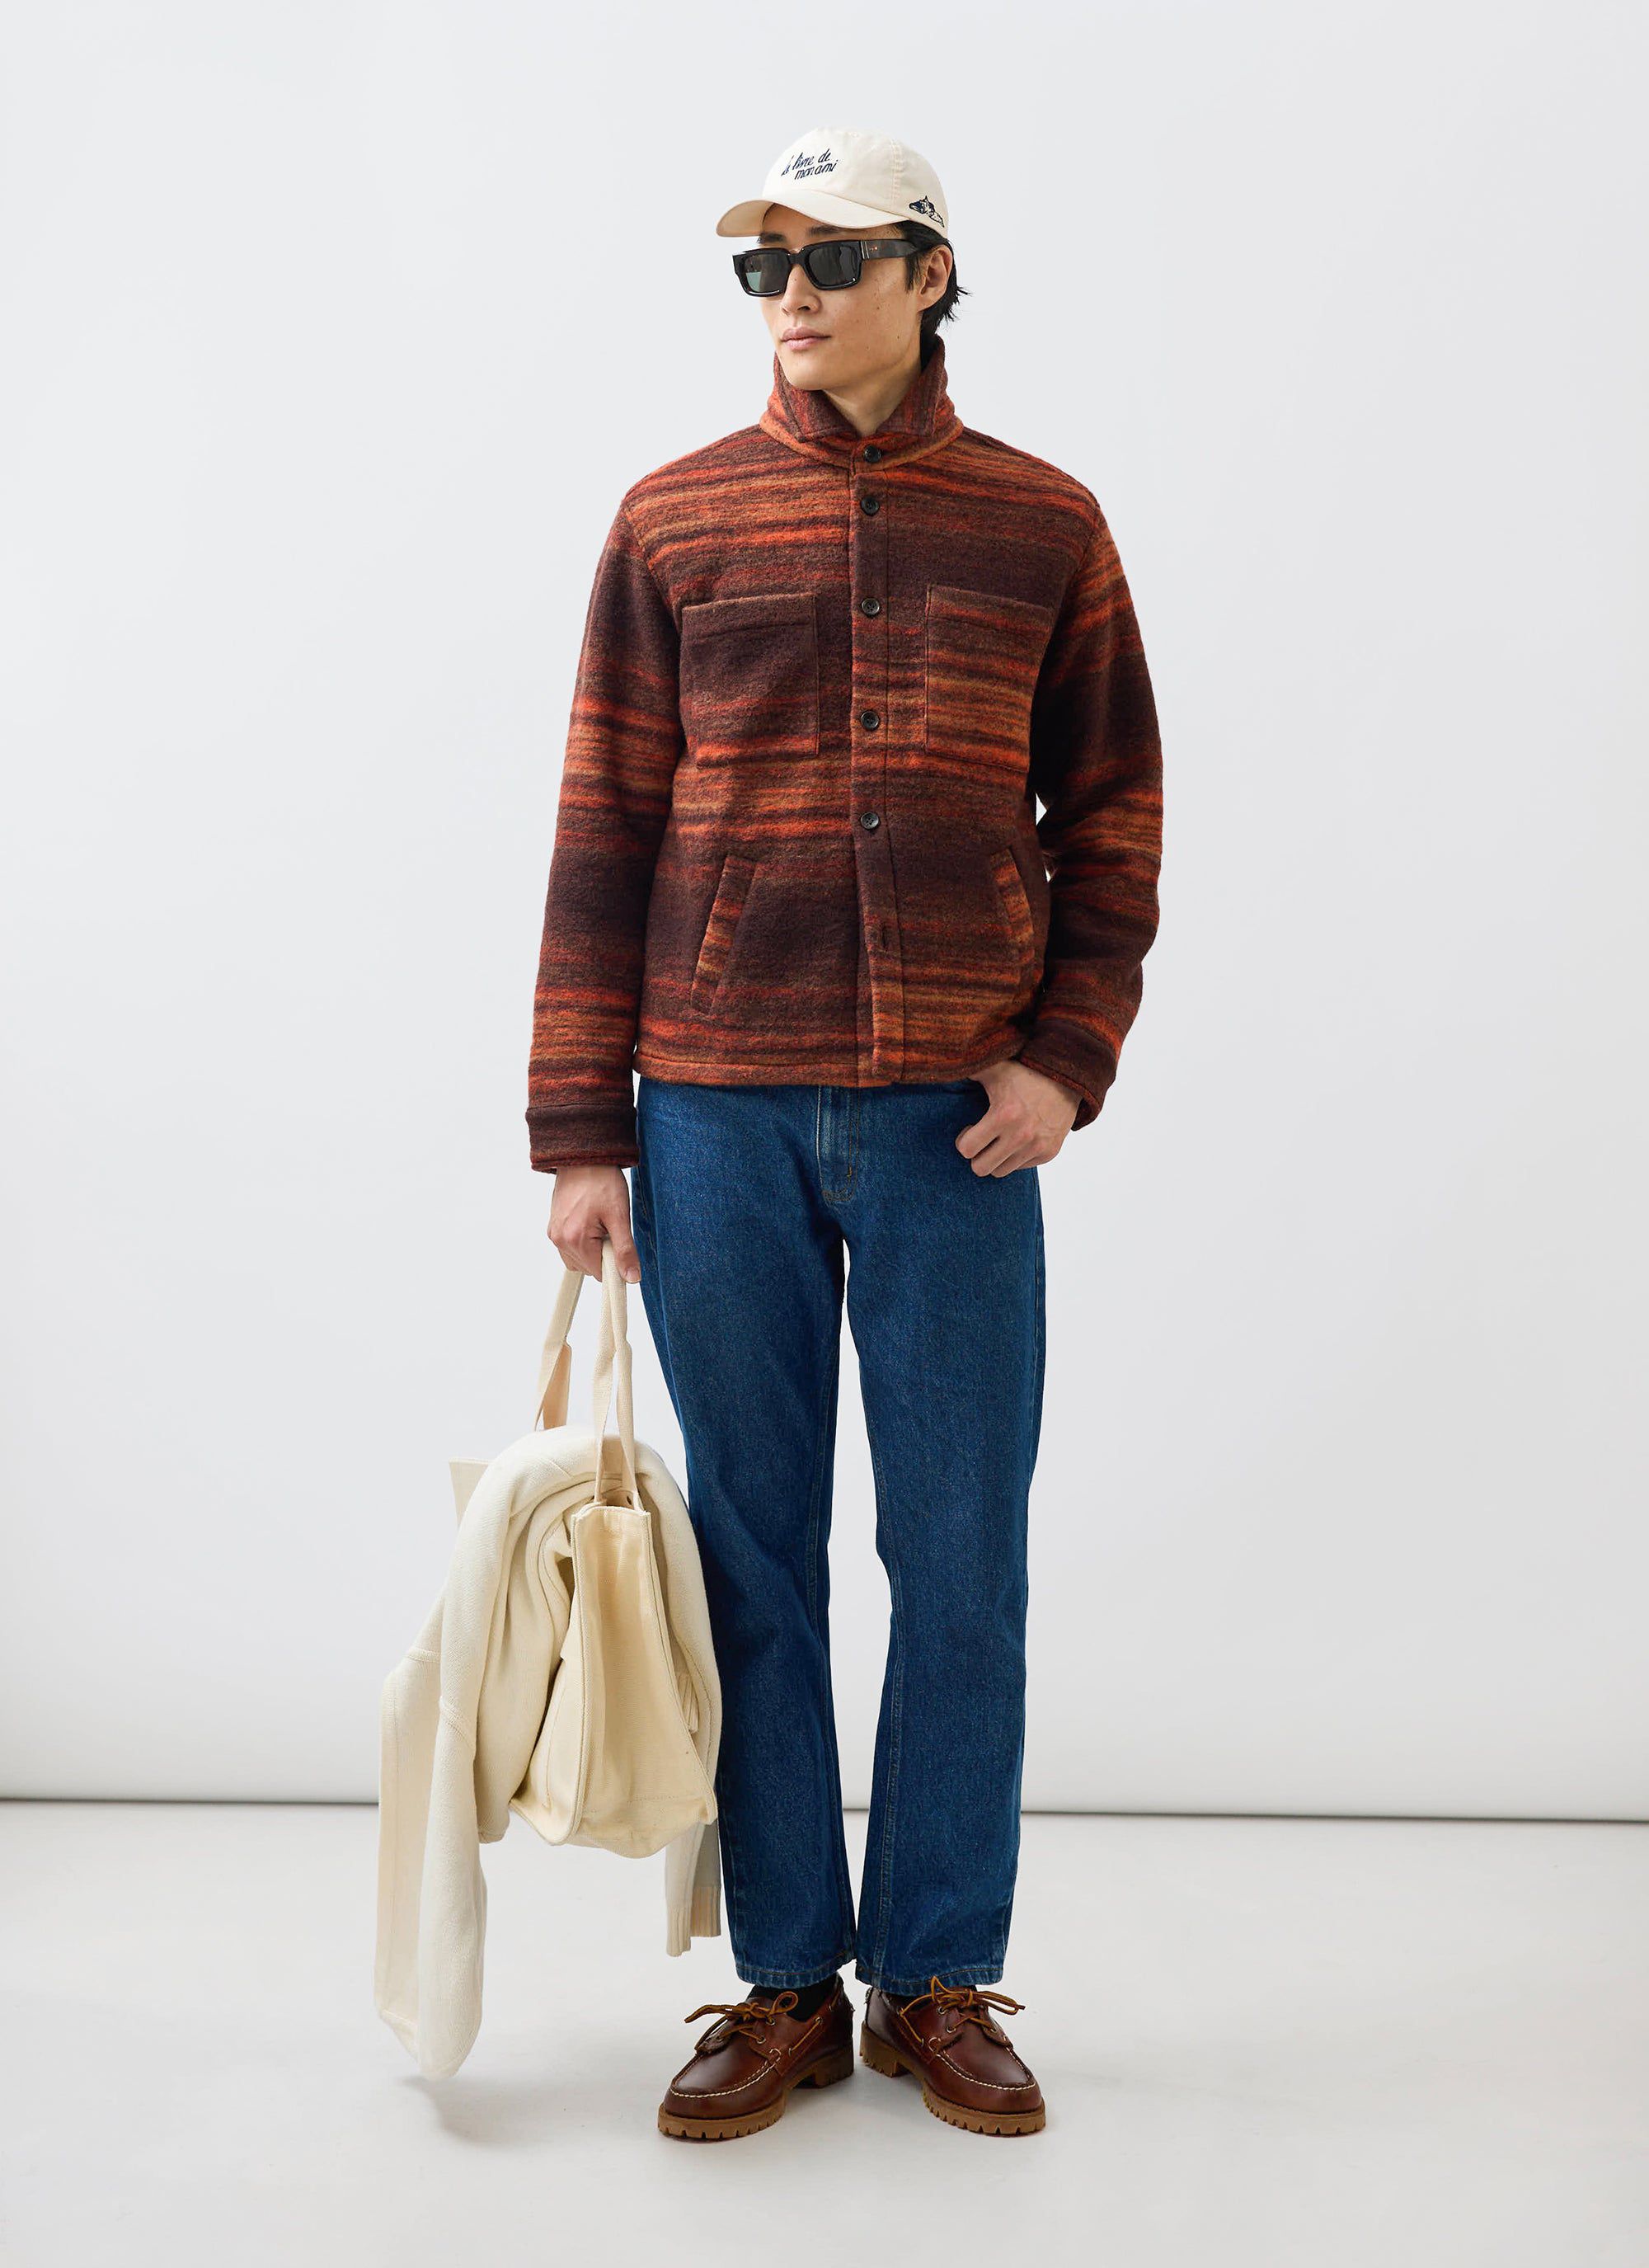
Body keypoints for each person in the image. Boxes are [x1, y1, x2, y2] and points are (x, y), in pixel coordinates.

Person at [526, 125, 1163, 2141]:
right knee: (750, 1555)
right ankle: (786, 1979)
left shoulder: (1043, 526)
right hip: (708, 1109)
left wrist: (1066, 1053)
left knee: (961, 1554)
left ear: (933, 273)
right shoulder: (673, 522)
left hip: (952, 1127)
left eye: (836, 257)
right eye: (762, 267)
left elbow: (1117, 813)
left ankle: (941, 1971)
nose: (792, 295)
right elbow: (604, 823)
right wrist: (578, 1126)